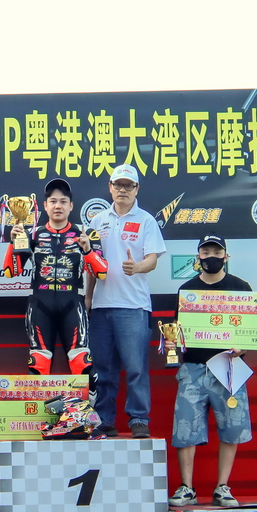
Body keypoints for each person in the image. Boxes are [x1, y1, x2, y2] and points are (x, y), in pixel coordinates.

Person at [4, 178, 108, 404]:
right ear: (45, 206)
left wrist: (88, 250)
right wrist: (13, 243)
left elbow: (101, 272)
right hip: (39, 305)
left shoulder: (86, 234)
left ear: (71, 206)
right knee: (38, 364)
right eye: (53, 201)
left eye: (63, 201)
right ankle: (40, 417)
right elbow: (11, 271)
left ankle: (84, 416)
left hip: (73, 304)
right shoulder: (32, 234)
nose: (58, 206)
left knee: (82, 364)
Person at [168, 234, 252, 508]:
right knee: (185, 428)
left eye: (217, 252)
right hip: (193, 367)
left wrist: (244, 347)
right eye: (206, 252)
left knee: (232, 427)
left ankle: (222, 486)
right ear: (198, 257)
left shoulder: (241, 287)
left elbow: (252, 329)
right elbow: (177, 331)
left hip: (229, 365)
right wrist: (171, 343)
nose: (211, 257)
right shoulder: (187, 290)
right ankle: (187, 487)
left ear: (226, 256)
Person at [85, 164, 165, 438]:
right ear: (110, 187)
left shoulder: (146, 220)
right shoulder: (97, 221)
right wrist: (88, 297)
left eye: (128, 185)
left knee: (136, 369)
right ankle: (104, 419)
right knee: (103, 369)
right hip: (101, 306)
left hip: (134, 306)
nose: (123, 190)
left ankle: (139, 419)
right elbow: (91, 265)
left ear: (136, 189)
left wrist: (137, 267)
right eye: (118, 184)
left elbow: (152, 259)